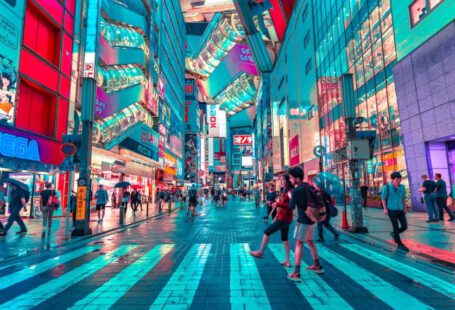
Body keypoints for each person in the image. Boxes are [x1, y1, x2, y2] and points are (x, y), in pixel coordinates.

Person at [288, 167, 324, 281]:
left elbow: (291, 207)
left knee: (298, 244)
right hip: (312, 219)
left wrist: (290, 196)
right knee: (310, 241)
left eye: (290, 178)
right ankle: (317, 265)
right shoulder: (308, 186)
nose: (290, 180)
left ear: (296, 178)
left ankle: (296, 273)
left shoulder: (296, 190)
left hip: (303, 220)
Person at [250, 174, 294, 267]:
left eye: (283, 180)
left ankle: (260, 252)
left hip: (284, 218)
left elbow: (291, 206)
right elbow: (282, 205)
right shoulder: (283, 191)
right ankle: (287, 261)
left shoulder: (289, 192)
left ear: (287, 181)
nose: (281, 182)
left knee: (267, 232)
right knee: (284, 239)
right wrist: (276, 215)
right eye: (281, 180)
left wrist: (277, 204)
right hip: (284, 217)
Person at [382, 172, 409, 251]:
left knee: (404, 226)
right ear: (392, 180)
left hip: (400, 209)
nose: (398, 181)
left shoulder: (402, 187)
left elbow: (403, 198)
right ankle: (399, 244)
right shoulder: (387, 187)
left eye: (400, 179)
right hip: (391, 209)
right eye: (397, 179)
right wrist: (385, 209)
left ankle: (394, 234)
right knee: (395, 226)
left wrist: (405, 208)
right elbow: (383, 198)